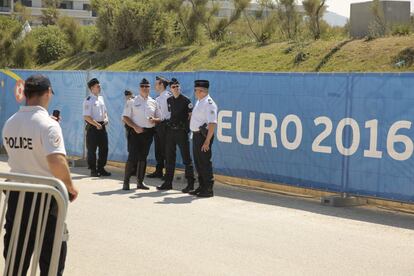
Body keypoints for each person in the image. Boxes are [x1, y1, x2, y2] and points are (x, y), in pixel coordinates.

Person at [2, 74, 79, 276]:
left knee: (15, 257)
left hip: (17, 195)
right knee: (51, 258)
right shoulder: (49, 125)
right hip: (45, 199)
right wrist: (70, 187)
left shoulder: (10, 122)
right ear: (47, 93)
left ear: (26, 94)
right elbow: (56, 161)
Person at [122, 78, 161, 190]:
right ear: (139, 88)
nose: (145, 88)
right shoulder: (132, 101)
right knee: (132, 157)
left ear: (150, 88)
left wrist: (155, 119)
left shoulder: (154, 102)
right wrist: (135, 127)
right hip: (135, 132)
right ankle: (126, 181)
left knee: (143, 157)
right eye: (143, 86)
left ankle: (140, 182)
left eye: (147, 86)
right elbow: (125, 117)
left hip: (148, 133)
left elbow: (160, 117)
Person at [157, 78, 195, 192]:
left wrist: (187, 130)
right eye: (173, 87)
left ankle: (190, 184)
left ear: (180, 87)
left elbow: (190, 117)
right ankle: (168, 182)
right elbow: (169, 115)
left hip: (181, 132)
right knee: (169, 158)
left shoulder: (186, 100)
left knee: (186, 159)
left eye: (177, 86)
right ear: (170, 89)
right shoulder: (169, 100)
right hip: (171, 132)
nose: (176, 88)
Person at [189, 80, 218, 198]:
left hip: (204, 137)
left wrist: (207, 142)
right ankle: (201, 186)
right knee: (198, 162)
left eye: (196, 90)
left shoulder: (209, 103)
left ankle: (208, 189)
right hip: (196, 136)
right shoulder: (200, 101)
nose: (195, 92)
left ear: (201, 91)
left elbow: (212, 124)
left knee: (205, 162)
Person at [83, 78, 111, 177]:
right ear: (92, 88)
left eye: (99, 86)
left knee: (104, 148)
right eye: (97, 86)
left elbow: (105, 112)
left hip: (102, 126)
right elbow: (86, 116)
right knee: (92, 150)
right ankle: (93, 170)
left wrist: (106, 118)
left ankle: (101, 168)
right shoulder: (88, 100)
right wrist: (96, 124)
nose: (100, 88)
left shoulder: (101, 98)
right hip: (93, 127)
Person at [146, 76, 172, 179]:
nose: (155, 85)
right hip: (158, 125)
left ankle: (168, 173)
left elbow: (167, 114)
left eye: (157, 83)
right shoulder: (158, 97)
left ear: (162, 84)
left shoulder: (167, 96)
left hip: (165, 125)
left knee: (166, 150)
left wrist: (158, 119)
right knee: (158, 150)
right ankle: (159, 170)